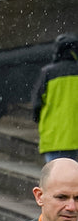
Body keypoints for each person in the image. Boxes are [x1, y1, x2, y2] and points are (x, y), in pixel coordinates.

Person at [32, 34, 78, 163]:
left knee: (54, 176)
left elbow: (37, 104)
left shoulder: (48, 73)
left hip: (54, 136)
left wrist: (37, 118)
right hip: (76, 137)